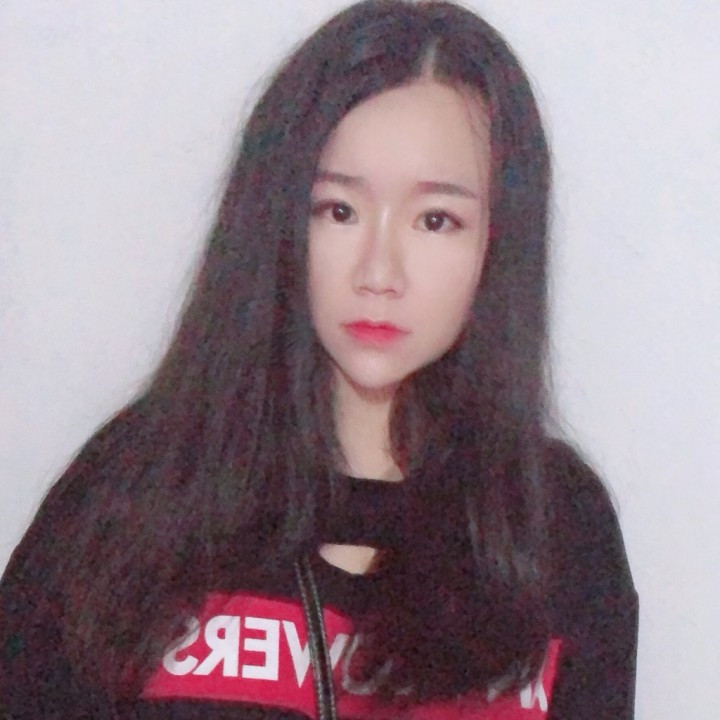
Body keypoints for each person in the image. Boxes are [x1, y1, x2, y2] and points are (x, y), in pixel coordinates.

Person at [0, 1, 638, 718]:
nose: (379, 271)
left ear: (499, 241)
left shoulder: (555, 525)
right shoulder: (135, 492)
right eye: (339, 210)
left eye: (436, 220)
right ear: (278, 220)